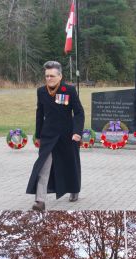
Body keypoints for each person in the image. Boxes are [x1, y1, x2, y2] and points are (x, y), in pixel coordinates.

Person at [26, 61, 85, 211]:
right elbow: (39, 114)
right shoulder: (41, 91)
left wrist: (77, 132)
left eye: (52, 76)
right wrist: (38, 135)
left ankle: (74, 189)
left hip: (68, 136)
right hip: (48, 136)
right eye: (46, 76)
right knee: (43, 167)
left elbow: (79, 112)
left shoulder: (69, 90)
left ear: (60, 76)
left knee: (70, 164)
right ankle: (40, 201)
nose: (49, 78)